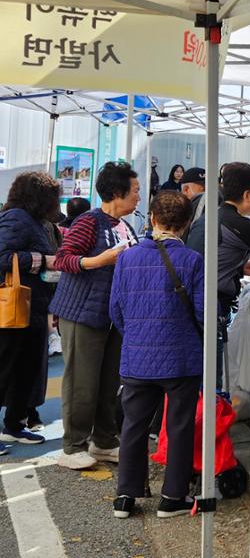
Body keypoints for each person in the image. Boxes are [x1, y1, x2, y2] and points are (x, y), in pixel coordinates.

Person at [110, 190, 204, 519]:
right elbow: (204, 312)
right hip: (182, 358)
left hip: (136, 356)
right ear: (187, 224)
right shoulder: (193, 260)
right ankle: (172, 498)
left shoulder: (126, 258)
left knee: (134, 425)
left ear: (152, 219)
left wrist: (137, 335)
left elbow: (116, 311)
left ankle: (126, 495)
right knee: (178, 426)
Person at [50, 161, 140, 470]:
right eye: (136, 191)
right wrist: (97, 260)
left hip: (112, 315)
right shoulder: (89, 221)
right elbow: (64, 260)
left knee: (107, 381)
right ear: (117, 193)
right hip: (82, 314)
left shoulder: (125, 226)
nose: (139, 198)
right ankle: (73, 445)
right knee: (81, 382)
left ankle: (104, 440)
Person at [189, 163, 250, 388]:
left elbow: (208, 257)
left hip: (193, 299)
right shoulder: (239, 224)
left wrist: (240, 269)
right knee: (212, 376)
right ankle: (209, 420)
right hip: (210, 305)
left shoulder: (210, 217)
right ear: (247, 195)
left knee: (199, 371)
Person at [0, 172, 62, 449]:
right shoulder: (17, 218)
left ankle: (15, 424)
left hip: (31, 307)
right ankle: (13, 424)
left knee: (25, 370)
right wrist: (42, 260)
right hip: (15, 307)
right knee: (6, 369)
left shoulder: (33, 220)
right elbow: (1, 256)